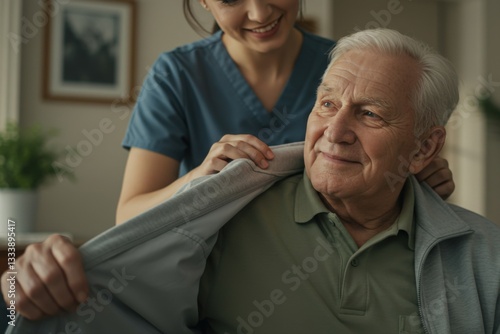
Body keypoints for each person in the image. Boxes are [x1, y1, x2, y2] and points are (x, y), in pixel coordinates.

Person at [2, 29, 499, 334]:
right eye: (325, 104)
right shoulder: (227, 220)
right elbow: (106, 294)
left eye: (369, 113)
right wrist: (18, 283)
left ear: (426, 148)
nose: (335, 132)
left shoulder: (480, 257)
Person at [115, 0, 455, 225]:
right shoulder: (177, 75)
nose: (260, 14)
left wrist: (413, 174)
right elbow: (129, 216)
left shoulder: (344, 70)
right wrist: (199, 179)